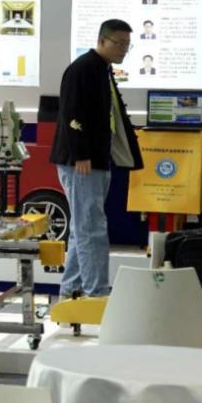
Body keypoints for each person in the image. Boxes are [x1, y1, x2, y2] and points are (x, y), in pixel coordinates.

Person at [50, 19, 143, 299]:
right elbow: (71, 113)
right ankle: (96, 293)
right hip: (82, 162)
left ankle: (72, 290)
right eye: (119, 43)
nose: (123, 49)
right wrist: (81, 154)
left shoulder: (102, 69)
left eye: (127, 44)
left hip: (98, 160)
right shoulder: (82, 69)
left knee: (83, 228)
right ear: (102, 40)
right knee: (91, 228)